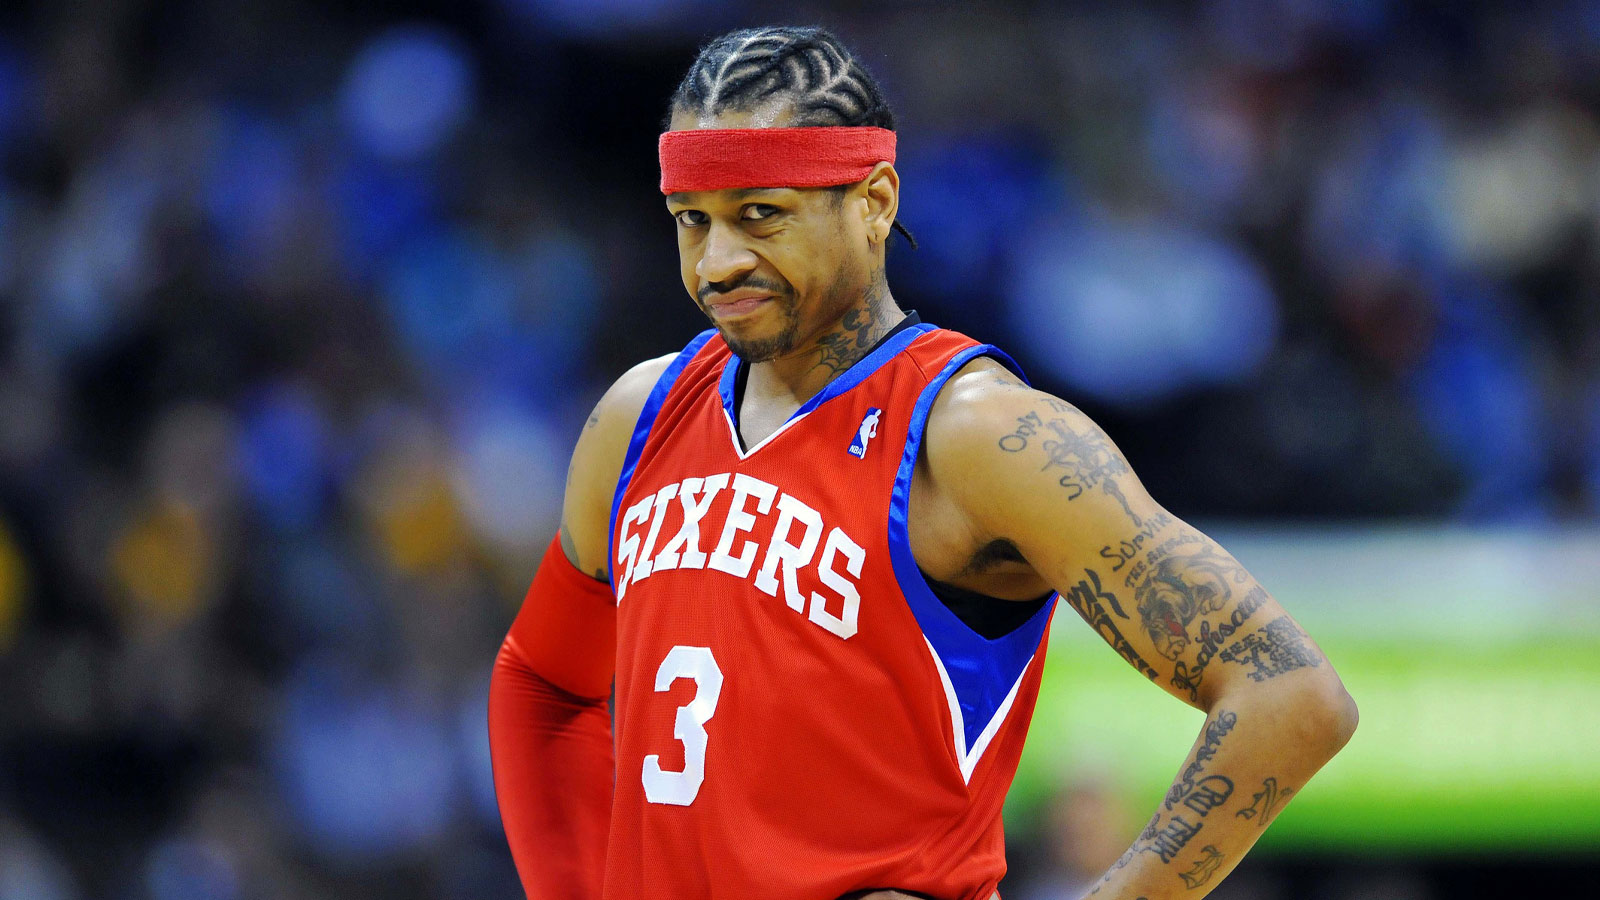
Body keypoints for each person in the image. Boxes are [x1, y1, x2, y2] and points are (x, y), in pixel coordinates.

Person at [487, 25, 1357, 900]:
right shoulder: (640, 416)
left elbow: (1291, 695)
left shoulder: (976, 436)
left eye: (762, 216)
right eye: (693, 221)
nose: (719, 262)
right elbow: (542, 682)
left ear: (873, 200)